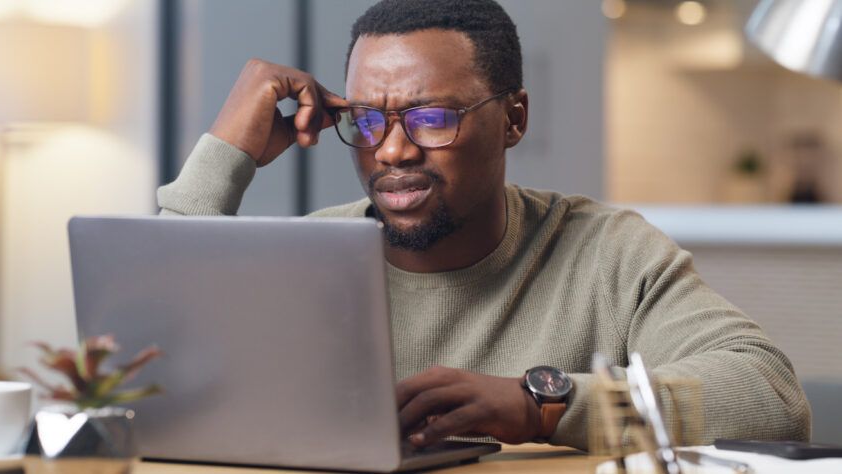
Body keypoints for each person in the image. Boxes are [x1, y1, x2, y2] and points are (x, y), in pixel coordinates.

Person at [157, 0, 810, 450]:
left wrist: (541, 408)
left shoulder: (607, 255)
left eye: (432, 118)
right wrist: (223, 151)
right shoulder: (308, 260)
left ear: (514, 119)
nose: (391, 151)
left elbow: (771, 401)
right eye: (364, 120)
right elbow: (143, 375)